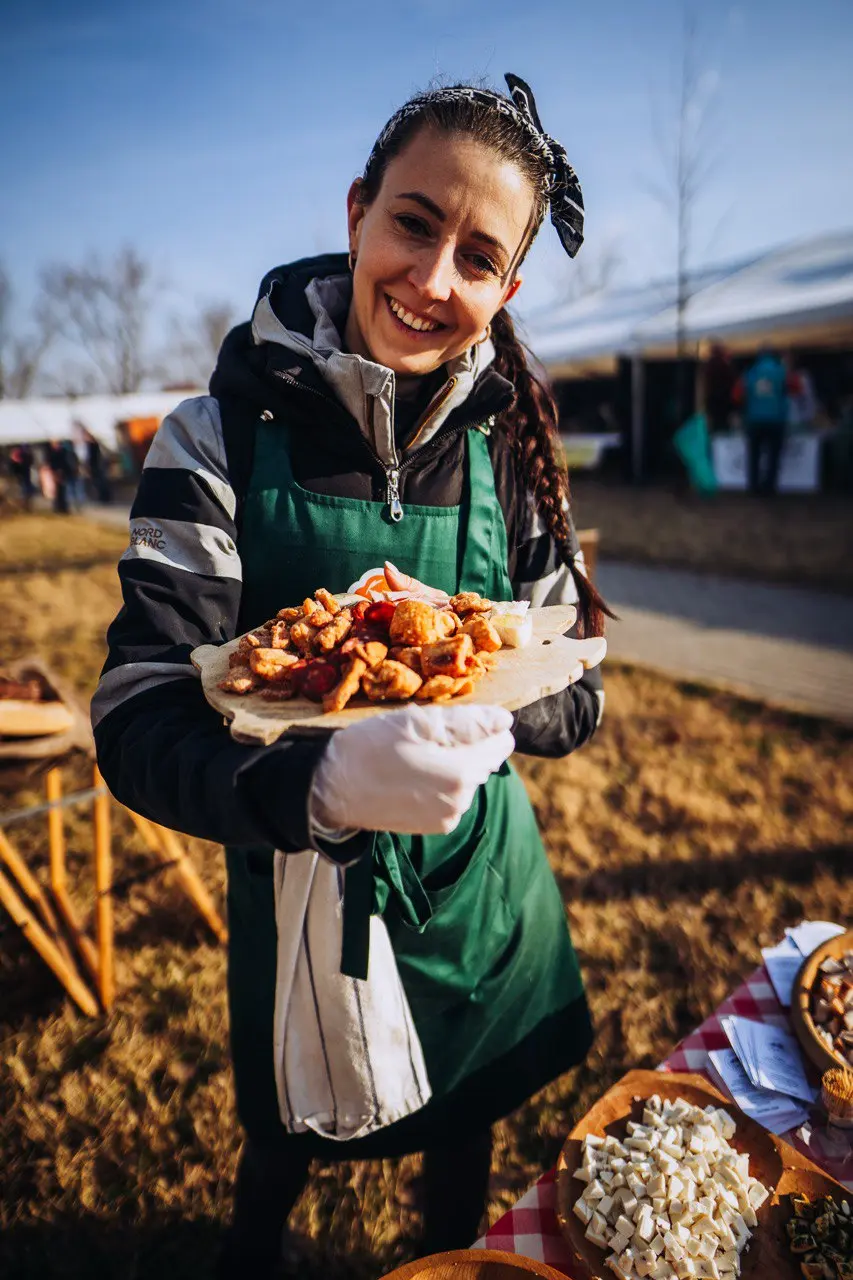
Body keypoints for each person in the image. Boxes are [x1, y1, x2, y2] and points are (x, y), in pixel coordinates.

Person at [92, 75, 609, 1278]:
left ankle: (445, 1252)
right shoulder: (215, 437)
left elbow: (576, 691)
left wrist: (480, 696)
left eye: (478, 257)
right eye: (414, 224)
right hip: (294, 876)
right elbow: (137, 712)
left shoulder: (517, 454)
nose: (434, 281)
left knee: (463, 1121)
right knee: (283, 1131)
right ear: (358, 211)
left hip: (479, 883)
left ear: (508, 289)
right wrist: (317, 786)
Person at [734, 347, 790, 496]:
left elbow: (738, 395)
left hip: (754, 420)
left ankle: (753, 486)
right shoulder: (781, 370)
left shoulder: (750, 372)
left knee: (754, 455)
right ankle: (770, 487)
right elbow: (796, 388)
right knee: (773, 456)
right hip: (777, 419)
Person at [703, 341, 736, 435]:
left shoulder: (708, 366)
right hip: (724, 401)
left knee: (714, 430)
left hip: (712, 402)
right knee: (723, 430)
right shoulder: (725, 366)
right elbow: (731, 383)